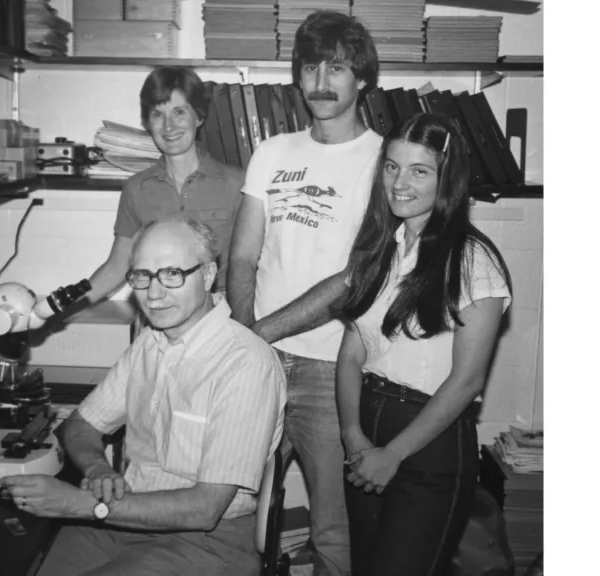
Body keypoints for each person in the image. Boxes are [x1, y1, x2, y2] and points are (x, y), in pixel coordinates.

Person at [2, 214, 287, 576]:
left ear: (208, 274)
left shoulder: (245, 364)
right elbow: (80, 425)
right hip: (127, 516)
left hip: (208, 540)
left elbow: (205, 508)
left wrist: (79, 504)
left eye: (172, 274)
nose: (153, 294)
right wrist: (98, 468)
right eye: (142, 276)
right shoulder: (149, 343)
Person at [226, 10, 382, 576]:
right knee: (232, 510)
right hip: (257, 360)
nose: (321, 81)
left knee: (333, 528)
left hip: (331, 368)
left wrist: (258, 333)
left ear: (361, 77)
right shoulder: (272, 152)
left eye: (336, 68)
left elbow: (355, 278)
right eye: (311, 67)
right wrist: (244, 336)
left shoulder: (383, 161)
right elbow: (242, 255)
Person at [332, 112, 513, 576]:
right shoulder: (380, 248)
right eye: (392, 166)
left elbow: (467, 379)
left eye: (419, 170)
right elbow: (351, 353)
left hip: (428, 444)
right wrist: (353, 436)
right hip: (366, 434)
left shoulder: (473, 261)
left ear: (446, 178)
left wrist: (393, 454)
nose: (399, 182)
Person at [82, 66, 244, 306]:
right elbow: (118, 264)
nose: (169, 126)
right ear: (148, 122)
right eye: (158, 114)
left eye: (179, 112)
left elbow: (251, 263)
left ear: (199, 117)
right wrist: (60, 308)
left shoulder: (236, 183)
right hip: (156, 306)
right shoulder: (136, 188)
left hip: (218, 311)